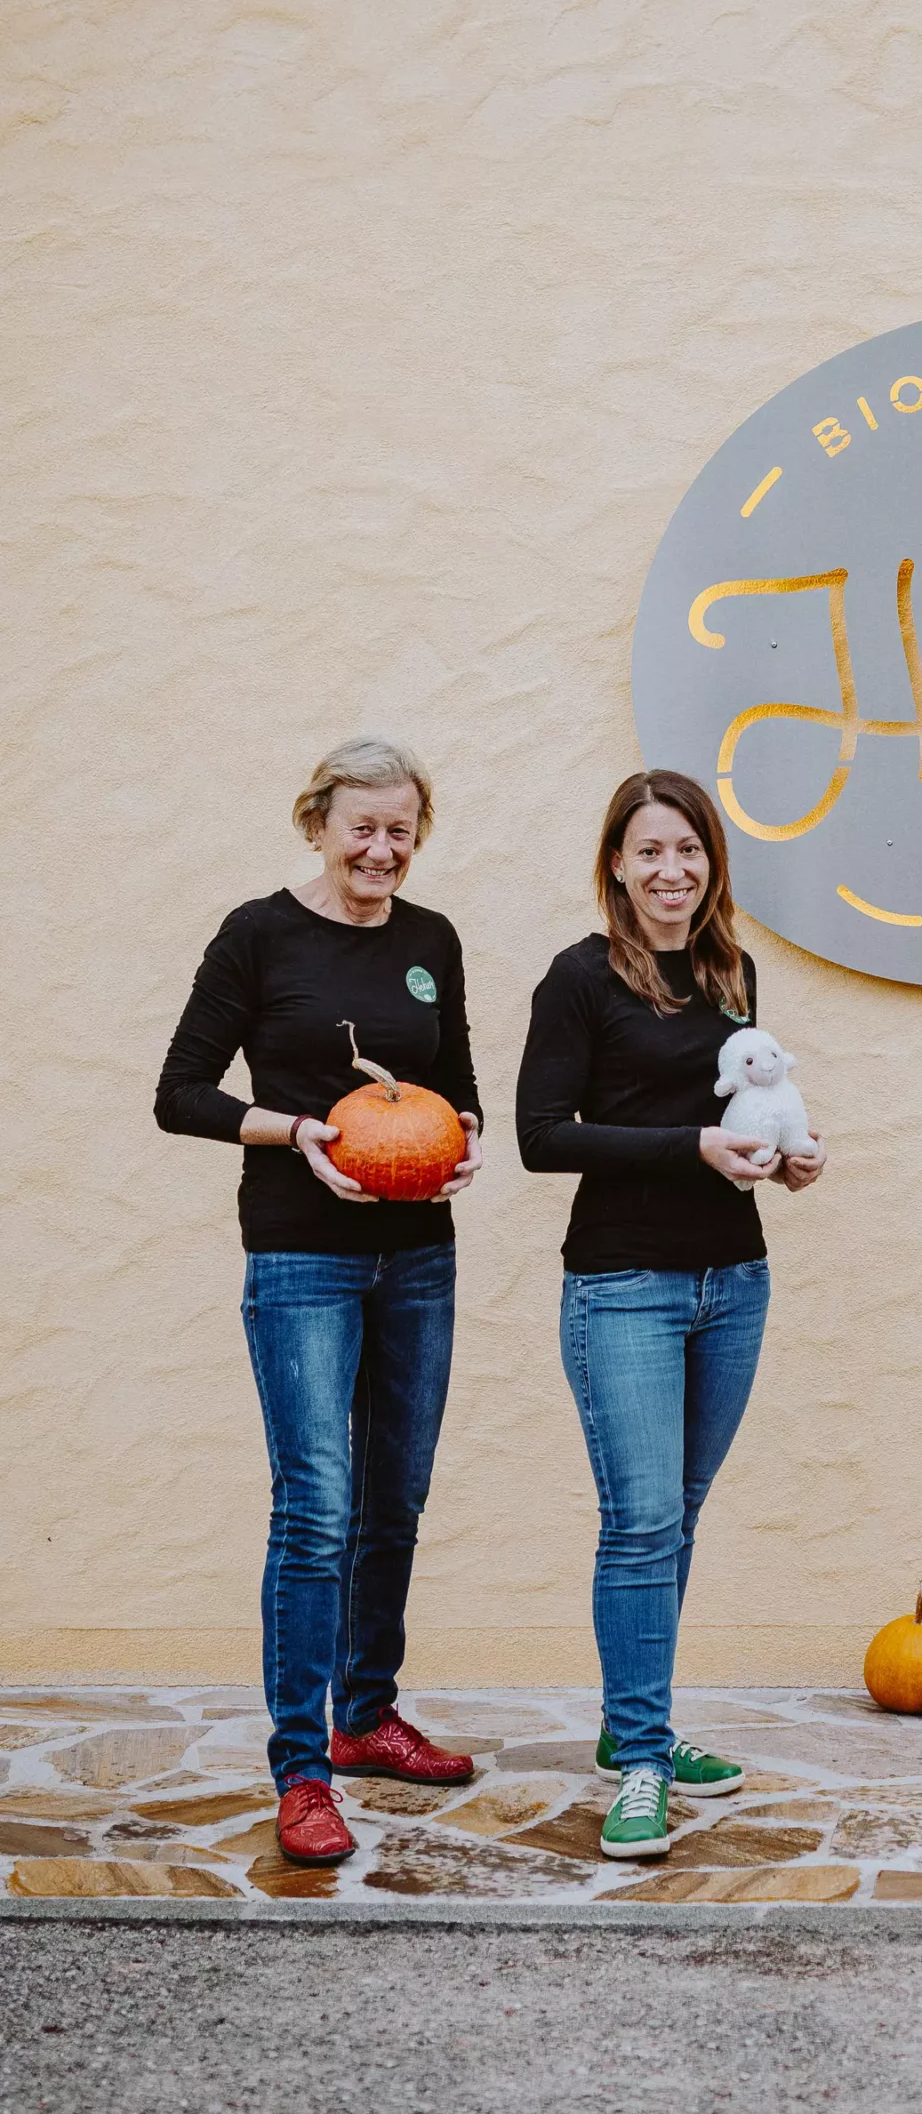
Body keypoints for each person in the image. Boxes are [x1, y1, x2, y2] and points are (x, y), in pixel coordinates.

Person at [155, 738, 484, 1863]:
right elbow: (181, 1093)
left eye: (401, 831)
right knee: (315, 1510)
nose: (382, 850)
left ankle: (367, 1714)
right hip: (302, 1255)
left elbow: (458, 1086)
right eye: (362, 828)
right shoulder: (259, 934)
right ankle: (302, 1770)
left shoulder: (431, 941)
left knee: (396, 1499)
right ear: (318, 825)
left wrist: (460, 1138)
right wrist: (298, 1130)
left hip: (418, 1254)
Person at [516, 769, 826, 1860]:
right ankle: (643, 1759)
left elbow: (749, 1106)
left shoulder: (732, 970)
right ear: (616, 863)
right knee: (641, 1524)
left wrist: (790, 1154)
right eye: (649, 850)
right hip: (623, 1287)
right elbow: (541, 1135)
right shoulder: (579, 978)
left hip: (731, 1280)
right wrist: (686, 1146)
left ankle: (629, 1724)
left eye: (688, 849)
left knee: (677, 1517)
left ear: (711, 862)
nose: (671, 870)